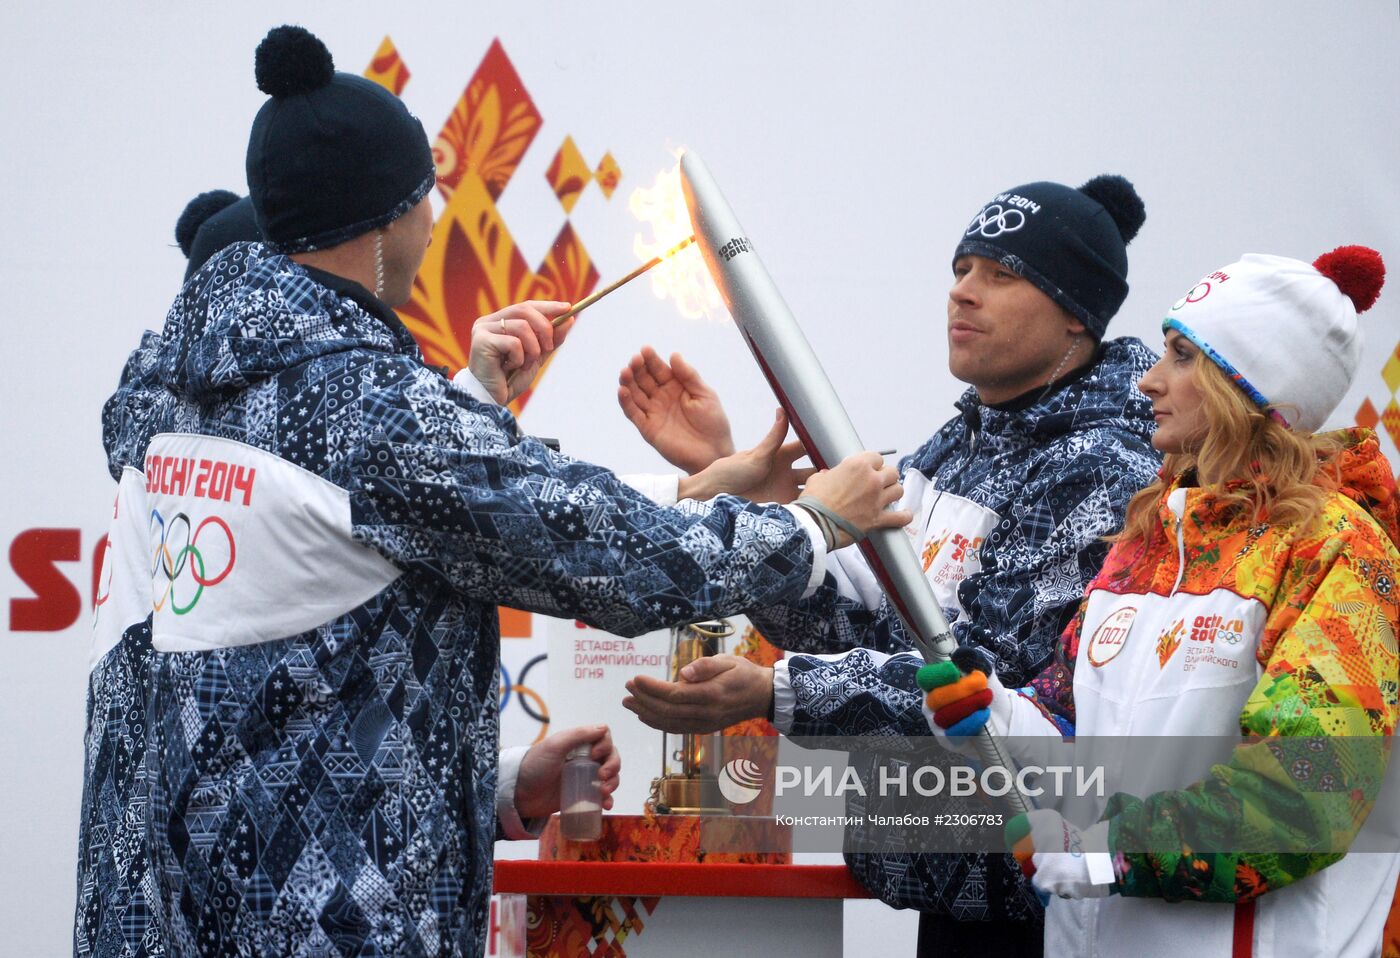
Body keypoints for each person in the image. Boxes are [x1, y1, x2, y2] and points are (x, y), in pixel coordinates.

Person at [88, 25, 907, 958]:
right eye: (426, 194)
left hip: (182, 908)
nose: (436, 218)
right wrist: (810, 524)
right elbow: (602, 553)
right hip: (326, 922)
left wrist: (471, 402)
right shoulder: (367, 413)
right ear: (386, 217)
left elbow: (330, 588)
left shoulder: (195, 392)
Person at [76, 189, 631, 958]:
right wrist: (794, 529)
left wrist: (500, 791)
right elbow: (215, 796)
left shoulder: (186, 460)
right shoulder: (188, 481)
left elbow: (298, 742)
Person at [619, 174, 1162, 953]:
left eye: (1003, 277)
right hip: (951, 886)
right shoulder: (953, 450)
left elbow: (985, 684)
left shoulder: (1101, 467)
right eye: (961, 269)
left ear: (1076, 312)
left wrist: (777, 693)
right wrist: (764, 512)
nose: (963, 294)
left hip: (1041, 900)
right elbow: (858, 629)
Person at [920, 247, 1399, 956]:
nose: (1148, 379)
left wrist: (1112, 850)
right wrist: (998, 714)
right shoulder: (1150, 538)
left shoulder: (1332, 549)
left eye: (1181, 357)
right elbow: (1074, 727)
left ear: (1250, 388)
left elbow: (1310, 791)